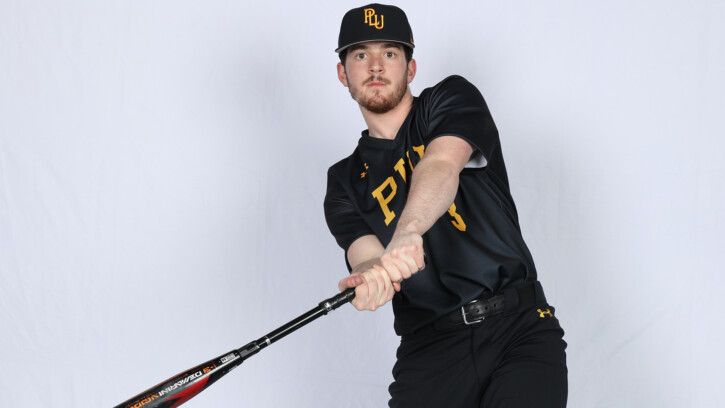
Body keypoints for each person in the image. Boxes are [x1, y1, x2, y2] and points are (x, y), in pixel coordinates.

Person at [323, 4, 568, 407]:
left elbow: (441, 163)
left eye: (390, 53)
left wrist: (408, 231)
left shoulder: (450, 100)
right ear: (342, 73)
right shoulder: (344, 180)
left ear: (411, 68)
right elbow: (365, 255)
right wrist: (369, 280)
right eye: (360, 55)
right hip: (429, 354)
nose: (376, 66)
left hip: (516, 327)